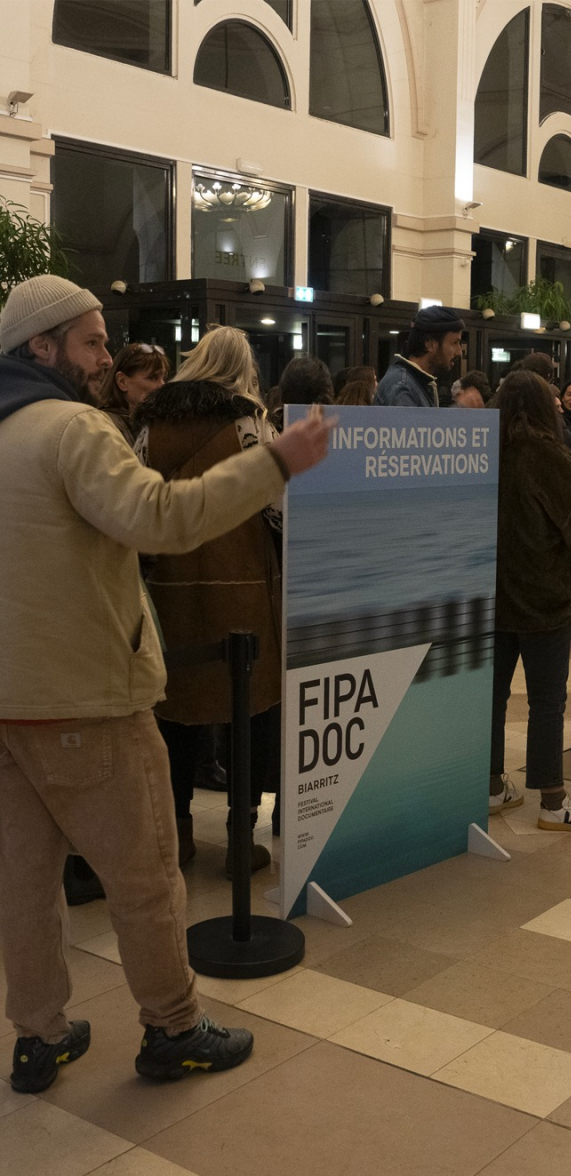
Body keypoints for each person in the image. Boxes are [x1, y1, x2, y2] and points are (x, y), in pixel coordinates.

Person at [0, 275, 333, 1093]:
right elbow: (162, 519)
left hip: (9, 705)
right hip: (90, 699)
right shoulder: (73, 430)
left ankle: (38, 1037)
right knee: (147, 876)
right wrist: (274, 462)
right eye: (91, 341)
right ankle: (173, 1028)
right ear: (39, 349)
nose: (109, 358)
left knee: (23, 884)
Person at [134, 325, 285, 873]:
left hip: (171, 590)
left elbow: (136, 500)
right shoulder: (248, 421)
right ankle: (240, 838)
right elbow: (276, 508)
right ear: (243, 367)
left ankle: (179, 833)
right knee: (252, 711)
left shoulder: (151, 421)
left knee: (176, 712)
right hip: (242, 590)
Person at [489, 370, 571, 831]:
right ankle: (553, 802)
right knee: (546, 701)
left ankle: (490, 786)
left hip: (492, 597)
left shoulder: (485, 453)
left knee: (493, 698)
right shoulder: (548, 454)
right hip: (542, 598)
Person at [374, 306, 464, 407]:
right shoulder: (402, 388)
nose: (459, 352)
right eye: (455, 342)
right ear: (430, 344)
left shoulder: (413, 383)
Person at [97, 342, 169, 447]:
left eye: (164, 378)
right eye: (153, 377)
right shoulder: (105, 426)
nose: (162, 385)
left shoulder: (152, 423)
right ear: (122, 381)